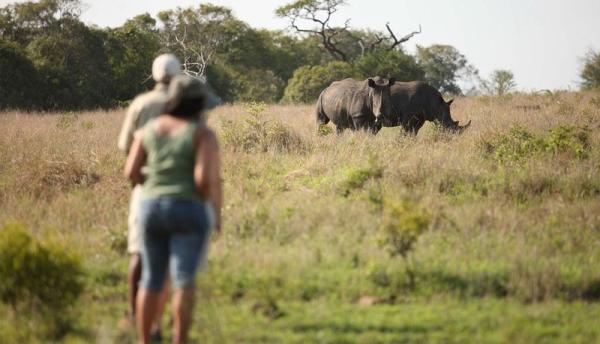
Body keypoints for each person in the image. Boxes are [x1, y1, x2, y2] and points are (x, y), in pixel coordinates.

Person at [124, 75, 222, 344]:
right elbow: (204, 180)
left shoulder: (148, 130)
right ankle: (179, 339)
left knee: (151, 280)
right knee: (183, 281)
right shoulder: (202, 134)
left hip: (150, 209)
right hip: (188, 209)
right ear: (199, 105)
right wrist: (205, 204)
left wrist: (155, 187)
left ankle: (145, 339)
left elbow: (130, 172)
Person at [118, 53, 182, 337]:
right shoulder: (185, 103)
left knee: (139, 254)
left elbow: (125, 147)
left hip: (145, 187)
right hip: (180, 189)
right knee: (171, 259)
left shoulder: (141, 104)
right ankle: (161, 319)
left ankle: (135, 315)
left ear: (154, 75)